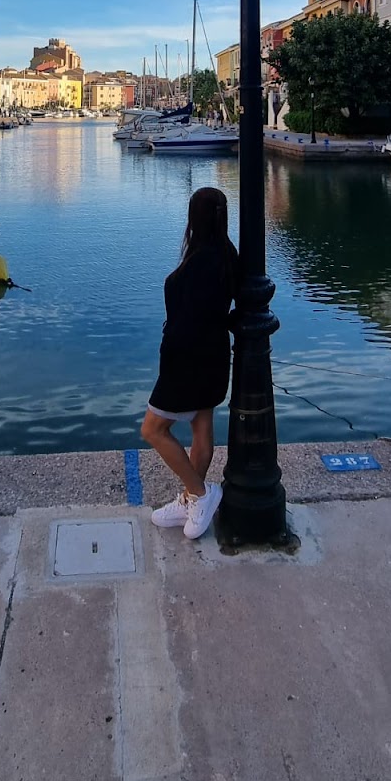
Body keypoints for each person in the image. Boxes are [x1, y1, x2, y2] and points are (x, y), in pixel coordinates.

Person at [141, 186, 238, 539]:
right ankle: (189, 501)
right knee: (202, 428)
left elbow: (192, 315)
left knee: (152, 429)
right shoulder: (226, 254)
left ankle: (200, 492)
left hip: (187, 360)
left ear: (193, 218)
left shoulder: (202, 260)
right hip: (213, 356)